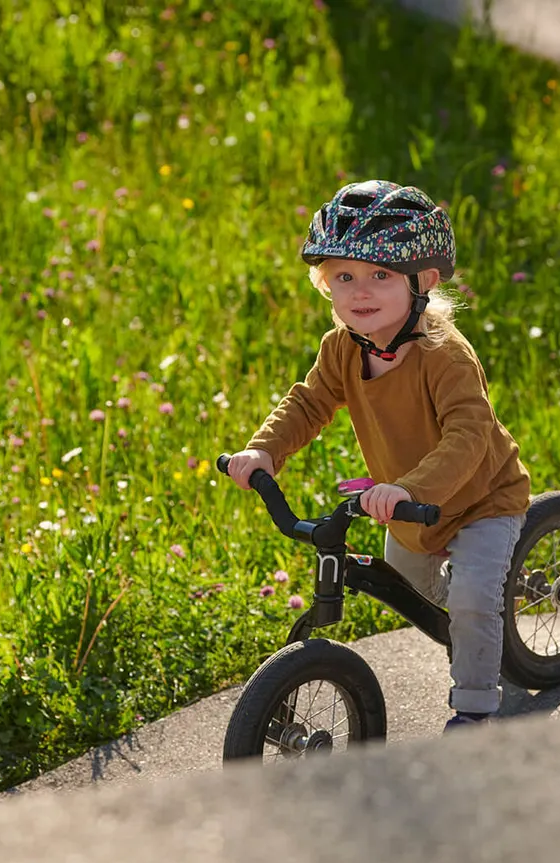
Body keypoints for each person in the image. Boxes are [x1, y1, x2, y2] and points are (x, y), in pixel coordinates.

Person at [226, 179, 531, 731]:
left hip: (482, 498)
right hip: (408, 506)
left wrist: (411, 489)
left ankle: (477, 707)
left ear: (425, 282)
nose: (360, 292)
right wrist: (264, 450)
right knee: (409, 580)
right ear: (326, 284)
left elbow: (469, 434)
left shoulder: (445, 355)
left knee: (470, 601)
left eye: (380, 276)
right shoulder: (341, 347)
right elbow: (309, 401)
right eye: (344, 276)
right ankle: (475, 617)